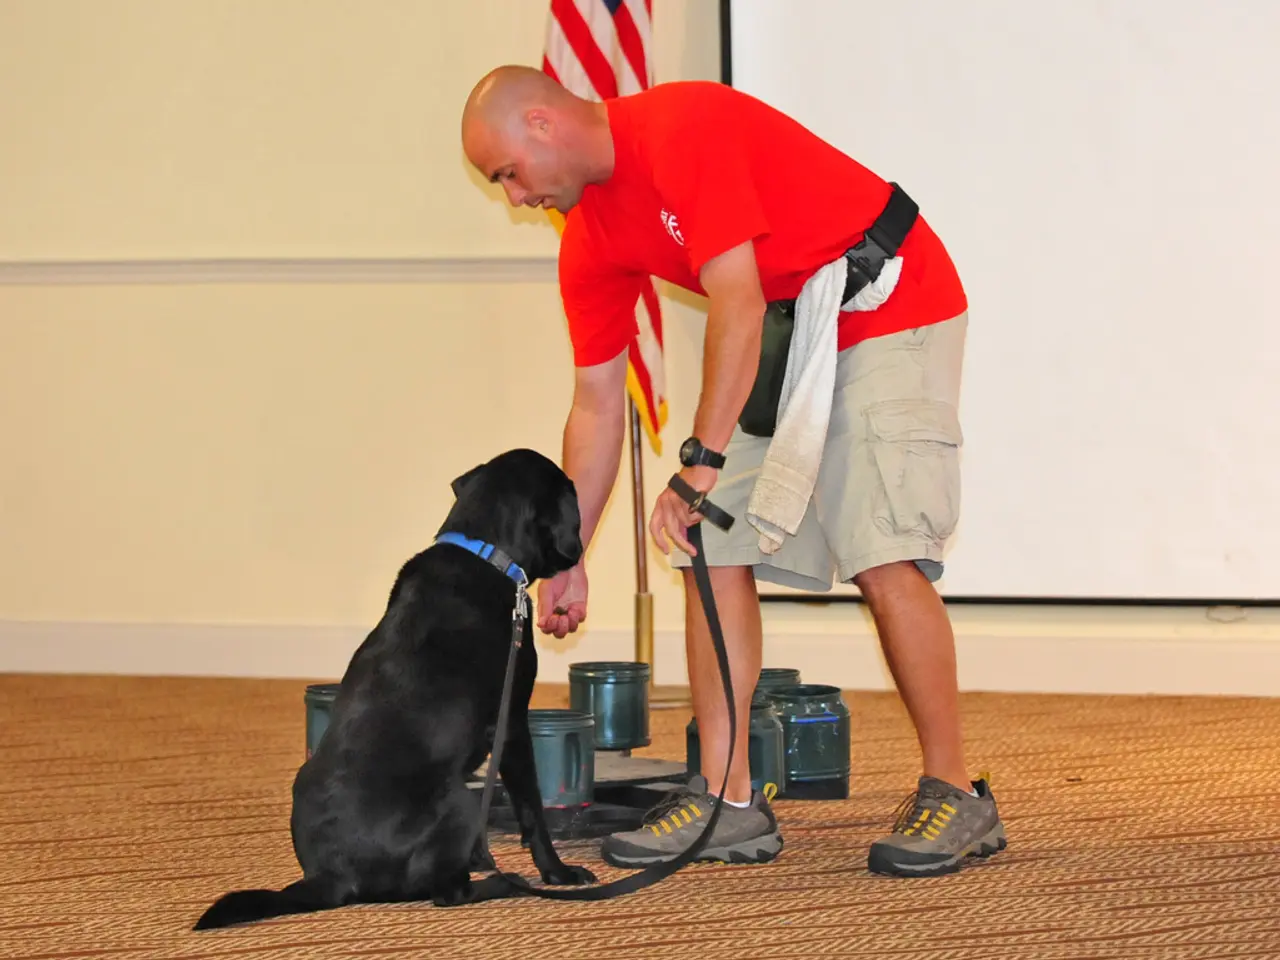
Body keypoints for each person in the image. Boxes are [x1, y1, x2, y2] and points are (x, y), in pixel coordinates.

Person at [460, 65, 1006, 878]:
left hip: (889, 302)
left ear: (541, 123)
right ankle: (729, 801)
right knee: (705, 542)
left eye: (507, 172)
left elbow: (737, 303)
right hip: (791, 328)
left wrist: (700, 463)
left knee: (881, 548)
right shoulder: (589, 242)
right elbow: (597, 407)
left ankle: (955, 790)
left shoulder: (682, 128)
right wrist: (565, 553)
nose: (515, 198)